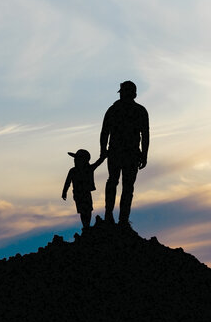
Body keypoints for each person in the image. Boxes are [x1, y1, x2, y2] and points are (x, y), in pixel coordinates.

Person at [100, 80, 149, 226]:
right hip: (120, 152)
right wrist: (103, 151)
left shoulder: (135, 111)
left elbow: (145, 135)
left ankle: (121, 219)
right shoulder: (116, 110)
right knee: (118, 183)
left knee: (123, 185)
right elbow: (104, 133)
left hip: (129, 153)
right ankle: (112, 216)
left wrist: (144, 154)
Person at [62, 149, 106, 229]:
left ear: (84, 160)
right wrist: (64, 192)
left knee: (88, 209)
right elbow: (67, 182)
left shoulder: (88, 169)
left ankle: (87, 226)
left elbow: (98, 163)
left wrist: (103, 156)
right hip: (78, 194)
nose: (75, 161)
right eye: (75, 159)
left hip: (86, 193)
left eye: (77, 159)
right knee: (82, 211)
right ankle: (86, 226)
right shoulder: (73, 171)